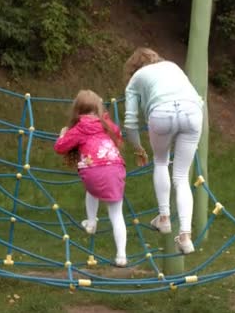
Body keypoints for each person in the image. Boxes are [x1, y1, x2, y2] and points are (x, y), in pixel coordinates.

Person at [123, 47, 204, 254]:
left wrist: (138, 148)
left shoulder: (135, 79)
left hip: (161, 113)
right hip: (192, 111)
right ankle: (185, 236)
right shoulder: (172, 66)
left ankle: (164, 218)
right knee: (182, 176)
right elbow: (195, 97)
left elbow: (130, 122)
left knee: (160, 162)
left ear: (133, 67)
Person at [53, 89, 128, 267]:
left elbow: (60, 147)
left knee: (91, 190)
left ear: (77, 111)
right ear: (99, 108)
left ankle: (92, 222)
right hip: (115, 168)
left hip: (93, 171)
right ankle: (122, 256)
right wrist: (105, 115)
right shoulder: (106, 124)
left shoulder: (79, 128)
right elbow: (117, 132)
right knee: (116, 213)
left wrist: (63, 134)